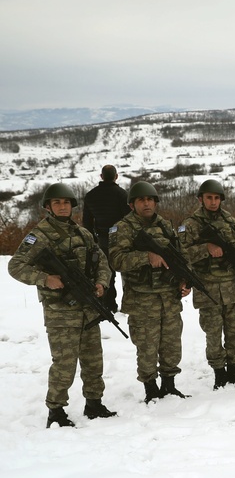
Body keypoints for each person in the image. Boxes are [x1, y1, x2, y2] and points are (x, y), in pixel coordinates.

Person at [8, 183, 117, 427]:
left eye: (66, 203)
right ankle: (56, 411)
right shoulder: (39, 235)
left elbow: (102, 263)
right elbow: (15, 266)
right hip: (61, 312)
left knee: (93, 360)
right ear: (48, 207)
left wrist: (101, 283)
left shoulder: (83, 234)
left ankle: (94, 403)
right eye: (57, 203)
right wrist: (46, 279)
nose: (62, 206)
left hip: (88, 308)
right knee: (64, 364)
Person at [109, 181, 191, 402]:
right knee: (146, 347)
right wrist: (146, 257)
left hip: (169, 296)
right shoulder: (122, 228)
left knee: (172, 344)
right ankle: (151, 389)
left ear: (155, 203)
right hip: (142, 299)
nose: (146, 203)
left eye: (150, 200)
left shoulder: (165, 225)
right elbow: (116, 260)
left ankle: (169, 385)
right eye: (141, 200)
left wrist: (185, 280)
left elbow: (179, 256)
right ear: (132, 204)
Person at [178, 179, 235, 390]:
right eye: (209, 197)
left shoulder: (230, 221)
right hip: (208, 288)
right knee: (213, 333)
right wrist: (206, 248)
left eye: (216, 198)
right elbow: (181, 255)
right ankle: (219, 374)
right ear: (201, 199)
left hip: (232, 287)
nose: (213, 202)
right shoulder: (190, 224)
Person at [82, 164, 130, 312]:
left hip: (102, 239)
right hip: (123, 239)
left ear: (101, 177)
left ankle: (109, 305)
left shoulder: (91, 196)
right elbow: (129, 219)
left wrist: (93, 242)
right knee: (128, 272)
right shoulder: (122, 194)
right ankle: (129, 304)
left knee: (106, 274)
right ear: (116, 176)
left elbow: (87, 222)